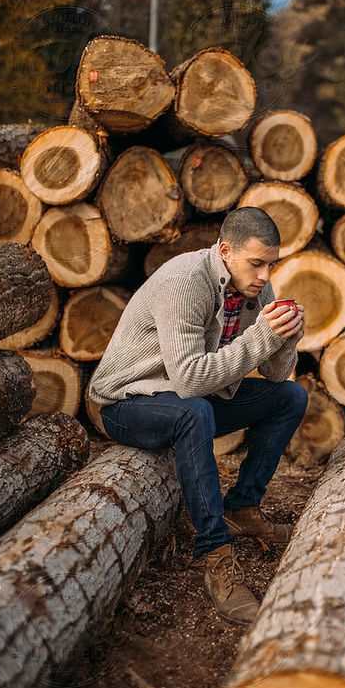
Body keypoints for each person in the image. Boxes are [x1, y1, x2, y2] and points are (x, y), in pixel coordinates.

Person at [89, 206, 308, 625]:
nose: (265, 276)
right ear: (225, 250)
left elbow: (276, 374)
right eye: (257, 263)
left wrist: (287, 339)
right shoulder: (185, 281)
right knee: (194, 413)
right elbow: (189, 381)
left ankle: (242, 508)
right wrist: (264, 336)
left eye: (271, 264)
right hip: (127, 402)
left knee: (291, 397)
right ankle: (214, 553)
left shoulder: (256, 289)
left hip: (195, 397)